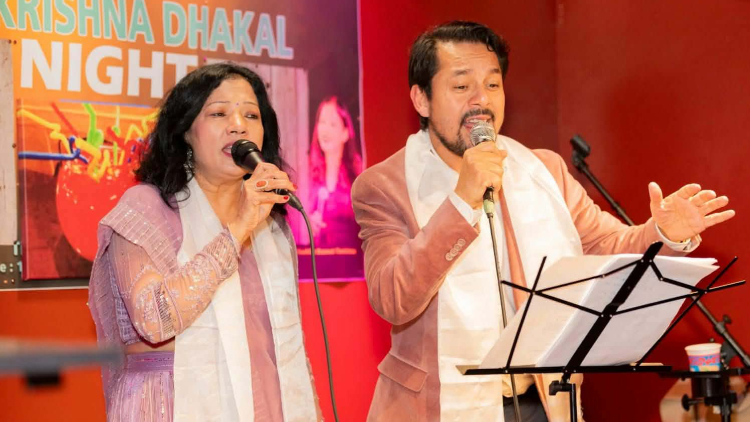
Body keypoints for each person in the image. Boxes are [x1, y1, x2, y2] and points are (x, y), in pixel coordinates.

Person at [350, 21, 735, 422]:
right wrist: (462, 201)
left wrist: (662, 232)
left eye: (493, 84)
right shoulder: (385, 186)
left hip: (543, 401)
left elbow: (607, 247)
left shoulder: (541, 170)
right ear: (421, 99)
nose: (481, 100)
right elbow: (393, 298)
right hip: (441, 406)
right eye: (461, 86)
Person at [88, 62, 320, 421]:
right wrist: (237, 230)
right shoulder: (145, 209)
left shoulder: (271, 228)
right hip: (167, 404)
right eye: (219, 113)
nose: (238, 125)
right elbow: (155, 320)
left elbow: (289, 349)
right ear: (185, 131)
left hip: (264, 404)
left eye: (251, 115)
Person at [308, 96, 363, 247]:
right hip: (321, 257)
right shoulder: (310, 174)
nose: (325, 130)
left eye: (332, 124)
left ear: (345, 133)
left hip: (352, 256)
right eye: (322, 122)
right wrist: (310, 225)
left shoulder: (358, 175)